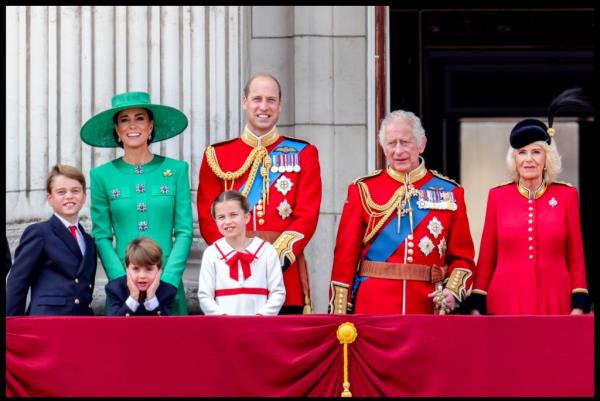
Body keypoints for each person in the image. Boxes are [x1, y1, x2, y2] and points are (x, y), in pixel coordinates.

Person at [196, 73, 321, 314]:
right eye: (257, 99)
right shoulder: (217, 155)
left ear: (280, 105)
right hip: (230, 275)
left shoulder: (303, 153)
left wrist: (270, 260)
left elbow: (307, 216)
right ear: (244, 102)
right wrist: (233, 256)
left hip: (284, 275)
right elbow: (207, 217)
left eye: (271, 100)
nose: (264, 107)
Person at [329, 110, 476, 315]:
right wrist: (339, 313)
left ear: (421, 144)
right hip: (373, 308)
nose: (398, 151)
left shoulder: (450, 192)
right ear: (383, 146)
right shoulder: (362, 190)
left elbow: (463, 258)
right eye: (391, 143)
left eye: (405, 142)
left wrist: (452, 291)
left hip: (426, 307)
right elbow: (344, 258)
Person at [470, 89, 591, 315]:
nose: (528, 159)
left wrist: (579, 303)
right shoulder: (498, 196)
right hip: (505, 301)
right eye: (522, 153)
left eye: (536, 152)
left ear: (547, 158)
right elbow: (486, 256)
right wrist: (477, 303)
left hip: (556, 300)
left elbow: (576, 255)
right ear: (514, 159)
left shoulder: (566, 196)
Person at [81, 91, 193, 315]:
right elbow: (102, 235)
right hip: (124, 287)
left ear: (151, 126)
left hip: (168, 283)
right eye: (124, 120)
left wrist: (169, 279)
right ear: (117, 130)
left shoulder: (177, 170)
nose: (133, 125)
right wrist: (122, 279)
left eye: (140, 118)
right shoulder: (102, 175)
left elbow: (184, 231)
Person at [6, 165, 97, 315]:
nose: (69, 196)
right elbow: (18, 281)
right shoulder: (39, 232)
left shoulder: (88, 241)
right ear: (50, 198)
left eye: (75, 191)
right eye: (61, 192)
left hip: (81, 320)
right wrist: (12, 325)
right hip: (46, 320)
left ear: (84, 196)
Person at [198, 190, 286, 315]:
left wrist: (262, 317)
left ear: (246, 217)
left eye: (233, 215)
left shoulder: (267, 251)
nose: (227, 221)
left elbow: (278, 292)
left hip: (260, 327)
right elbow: (205, 296)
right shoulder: (211, 254)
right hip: (224, 328)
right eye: (221, 217)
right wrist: (222, 319)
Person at [105, 237, 176, 316]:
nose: (142, 276)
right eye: (136, 269)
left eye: (149, 269)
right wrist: (133, 296)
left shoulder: (167, 291)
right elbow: (113, 325)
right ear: (127, 268)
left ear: (159, 269)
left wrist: (152, 298)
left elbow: (165, 326)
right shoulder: (115, 289)